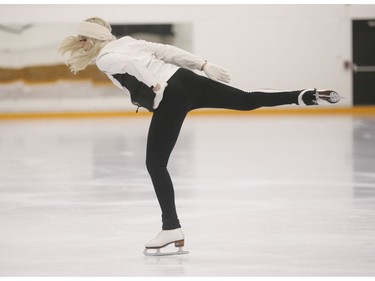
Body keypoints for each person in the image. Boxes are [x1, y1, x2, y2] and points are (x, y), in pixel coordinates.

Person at [59, 17, 341, 256]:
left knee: (155, 165)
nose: (81, 44)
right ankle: (303, 96)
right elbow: (166, 50)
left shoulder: (106, 58)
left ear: (93, 39)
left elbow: (132, 67)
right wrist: (203, 65)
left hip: (169, 94)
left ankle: (171, 227)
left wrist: (153, 86)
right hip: (187, 80)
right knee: (246, 100)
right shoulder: (128, 41)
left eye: (83, 39)